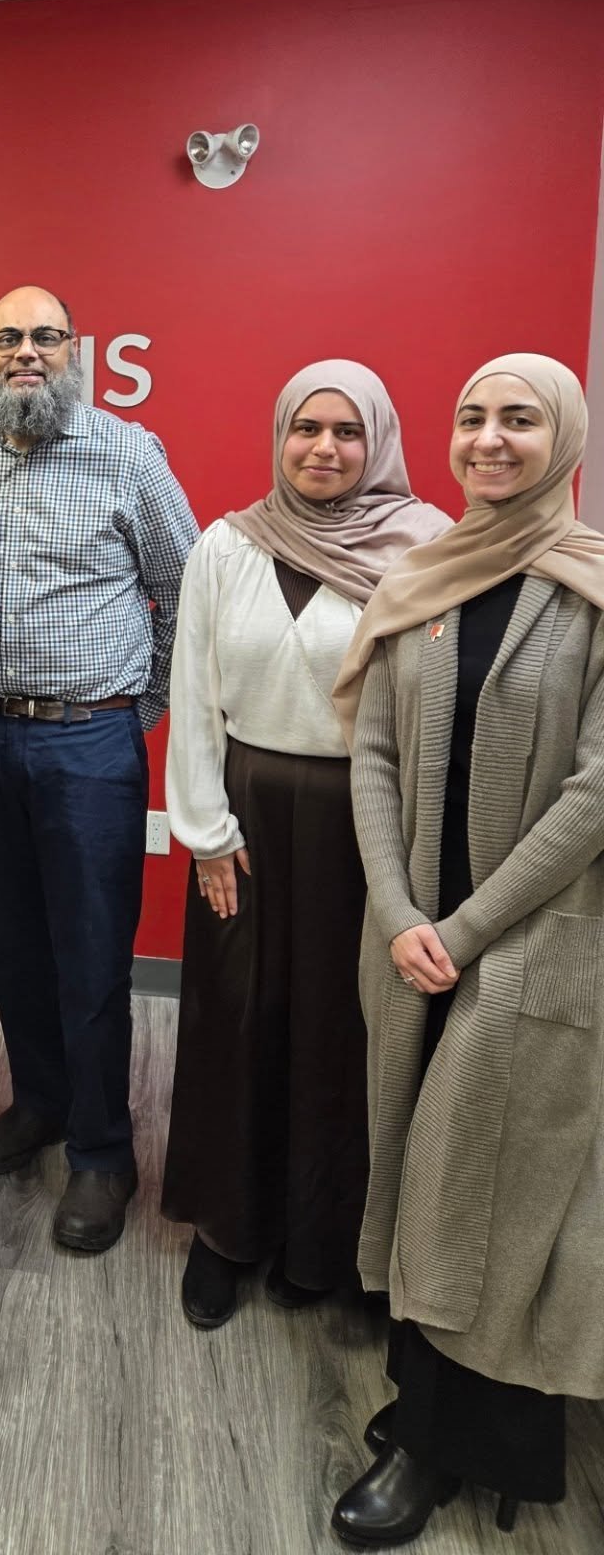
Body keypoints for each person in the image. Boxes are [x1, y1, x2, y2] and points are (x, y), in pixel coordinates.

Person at [330, 354, 604, 1546]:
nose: (491, 439)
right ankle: (419, 1402)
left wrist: (466, 927)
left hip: (529, 944)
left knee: (490, 1188)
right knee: (412, 1161)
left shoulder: (592, 591)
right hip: (414, 942)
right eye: (473, 418)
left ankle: (458, 1446)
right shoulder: (428, 578)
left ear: (569, 438)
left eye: (521, 420)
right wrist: (398, 911)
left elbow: (599, 791)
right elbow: (377, 756)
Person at [161, 362, 448, 1329]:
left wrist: (407, 859)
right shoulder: (225, 546)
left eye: (347, 433)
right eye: (305, 430)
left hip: (365, 825)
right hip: (242, 817)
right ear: (279, 436)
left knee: (343, 1031)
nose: (324, 449)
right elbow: (193, 697)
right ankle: (229, 1230)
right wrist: (204, 833)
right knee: (237, 1016)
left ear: (379, 442)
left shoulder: (428, 552)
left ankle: (325, 1244)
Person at [0, 286, 197, 1252]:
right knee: (16, 944)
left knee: (89, 954)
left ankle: (102, 1150)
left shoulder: (128, 451)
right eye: (5, 337)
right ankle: (38, 1099)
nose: (23, 352)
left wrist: (134, 715)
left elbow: (186, 595)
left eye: (43, 336)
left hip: (89, 745)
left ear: (75, 349)